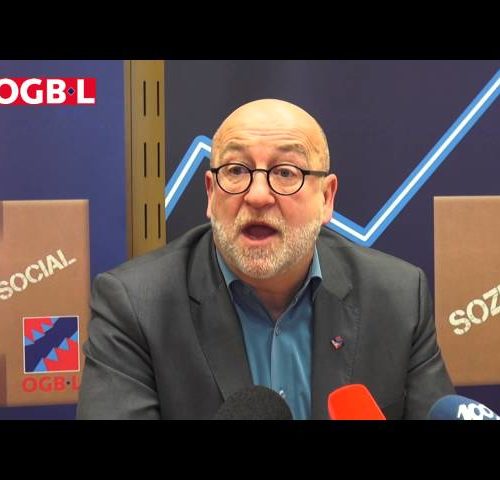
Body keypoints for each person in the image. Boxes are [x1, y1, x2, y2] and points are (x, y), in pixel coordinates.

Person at [77, 98, 454, 420]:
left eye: (286, 172)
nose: (257, 195)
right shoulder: (135, 305)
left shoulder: (398, 297)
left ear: (326, 198)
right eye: (236, 170)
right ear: (210, 193)